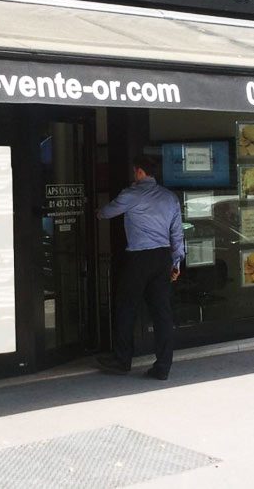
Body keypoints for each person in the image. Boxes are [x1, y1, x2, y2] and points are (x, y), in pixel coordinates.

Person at [95, 156, 184, 380]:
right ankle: (163, 366)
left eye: (136, 172)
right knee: (162, 312)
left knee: (126, 307)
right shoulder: (170, 198)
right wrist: (176, 262)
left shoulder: (132, 194)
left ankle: (122, 360)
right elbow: (177, 233)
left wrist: (97, 210)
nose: (135, 175)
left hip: (139, 258)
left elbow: (106, 213)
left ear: (141, 173)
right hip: (163, 256)